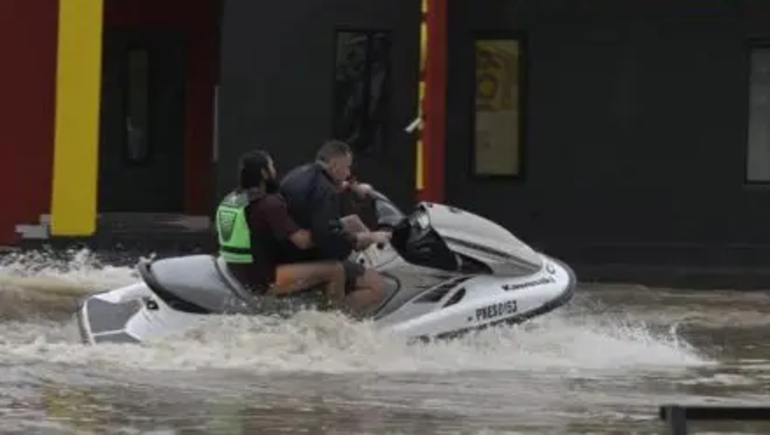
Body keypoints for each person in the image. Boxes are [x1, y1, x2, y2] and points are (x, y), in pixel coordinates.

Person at [215, 149, 347, 310]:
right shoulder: (269, 204)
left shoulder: (232, 199)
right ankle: (335, 324)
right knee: (335, 270)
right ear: (264, 173)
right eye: (272, 166)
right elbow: (303, 242)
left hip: (236, 271)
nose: (274, 170)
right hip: (262, 280)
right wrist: (336, 232)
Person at [279, 140, 391, 316]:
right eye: (347, 168)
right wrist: (365, 239)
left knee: (352, 221)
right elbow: (330, 243)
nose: (349, 173)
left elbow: (317, 199)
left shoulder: (300, 173)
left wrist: (353, 187)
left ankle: (368, 262)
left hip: (287, 248)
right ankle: (336, 320)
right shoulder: (325, 192)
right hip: (304, 258)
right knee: (378, 286)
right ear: (334, 165)